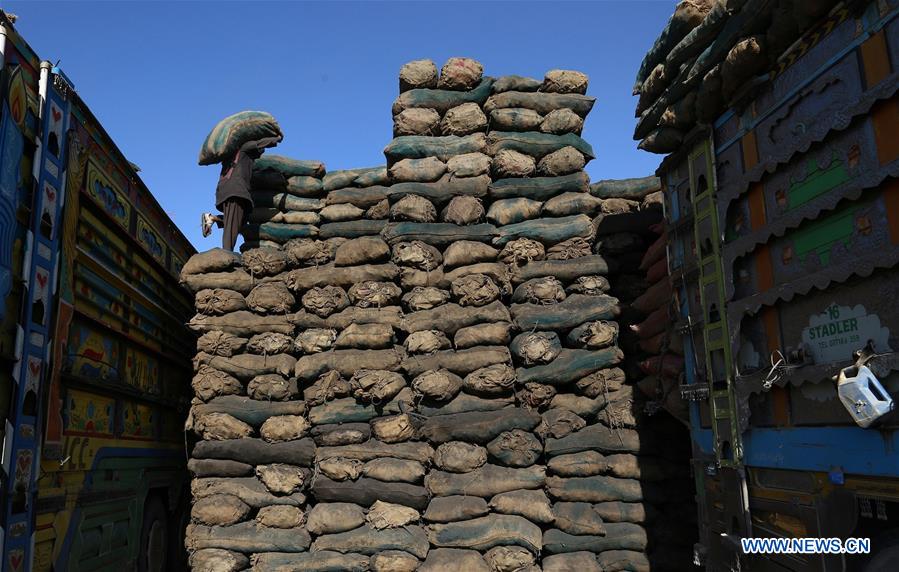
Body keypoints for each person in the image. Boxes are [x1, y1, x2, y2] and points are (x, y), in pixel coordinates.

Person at [202, 135, 281, 250]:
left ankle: (212, 218)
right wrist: (276, 138)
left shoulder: (235, 156)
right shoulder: (244, 148)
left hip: (231, 190)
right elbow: (260, 143)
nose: (261, 152)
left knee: (240, 222)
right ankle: (227, 253)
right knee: (232, 226)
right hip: (235, 191)